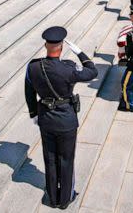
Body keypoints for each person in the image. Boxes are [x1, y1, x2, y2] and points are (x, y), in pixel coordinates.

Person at [25, 26, 98, 208]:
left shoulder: (33, 66)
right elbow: (92, 71)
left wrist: (34, 112)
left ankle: (52, 197)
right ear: (62, 47)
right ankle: (65, 199)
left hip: (45, 119)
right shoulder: (69, 69)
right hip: (66, 120)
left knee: (50, 159)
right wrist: (80, 53)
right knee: (66, 159)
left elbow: (29, 91)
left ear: (45, 45)